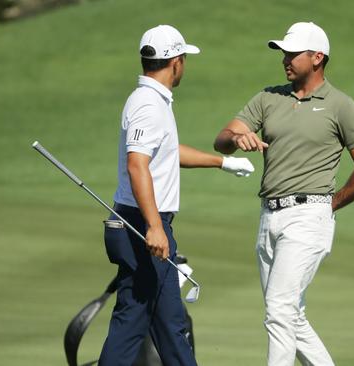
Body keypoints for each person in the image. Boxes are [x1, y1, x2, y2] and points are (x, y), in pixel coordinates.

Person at [213, 22, 354, 365]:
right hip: (268, 217)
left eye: (293, 53)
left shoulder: (340, 106)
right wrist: (236, 139)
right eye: (283, 53)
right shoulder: (269, 97)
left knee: (279, 309)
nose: (285, 60)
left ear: (318, 57)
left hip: (309, 217)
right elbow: (222, 138)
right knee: (291, 314)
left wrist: (331, 204)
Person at [99, 24, 254, 366]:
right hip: (142, 225)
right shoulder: (148, 105)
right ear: (177, 62)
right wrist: (155, 227)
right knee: (134, 325)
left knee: (169, 325)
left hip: (142, 222)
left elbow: (167, 152)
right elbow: (137, 165)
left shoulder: (150, 100)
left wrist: (222, 163)